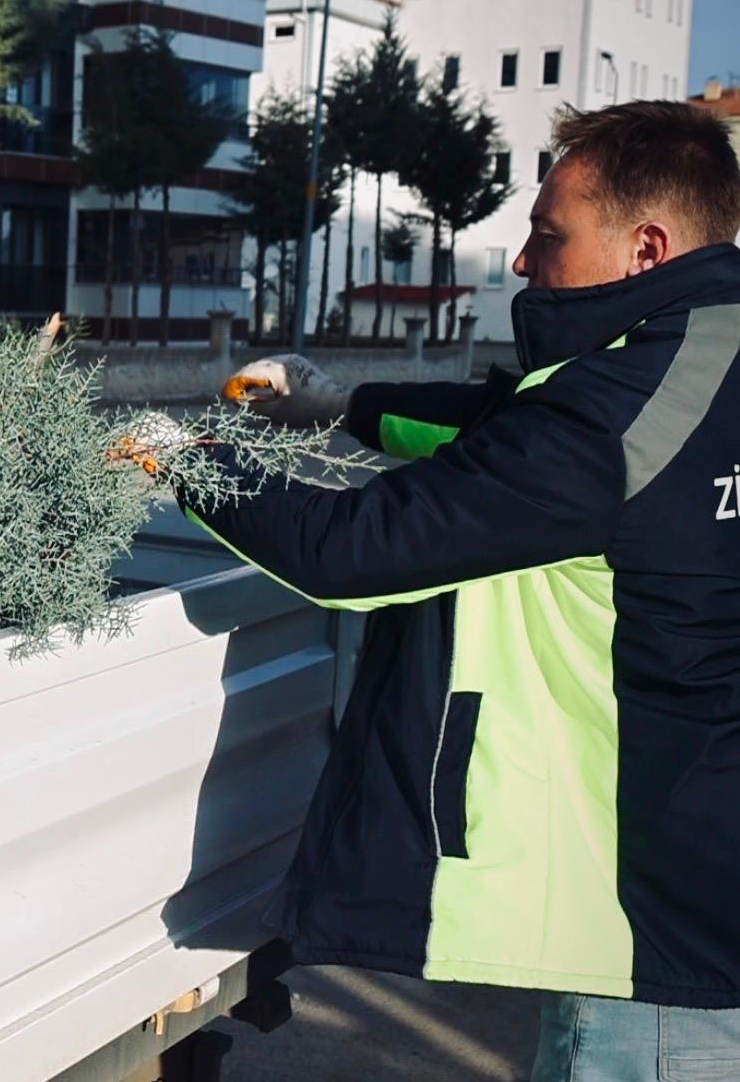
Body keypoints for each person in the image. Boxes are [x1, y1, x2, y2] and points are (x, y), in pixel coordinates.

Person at [184, 101, 740, 1080]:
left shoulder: (613, 416)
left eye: (546, 235)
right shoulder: (699, 358)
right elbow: (512, 429)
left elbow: (347, 551)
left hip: (648, 940)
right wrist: (344, 406)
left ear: (646, 247)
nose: (521, 261)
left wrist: (184, 458)